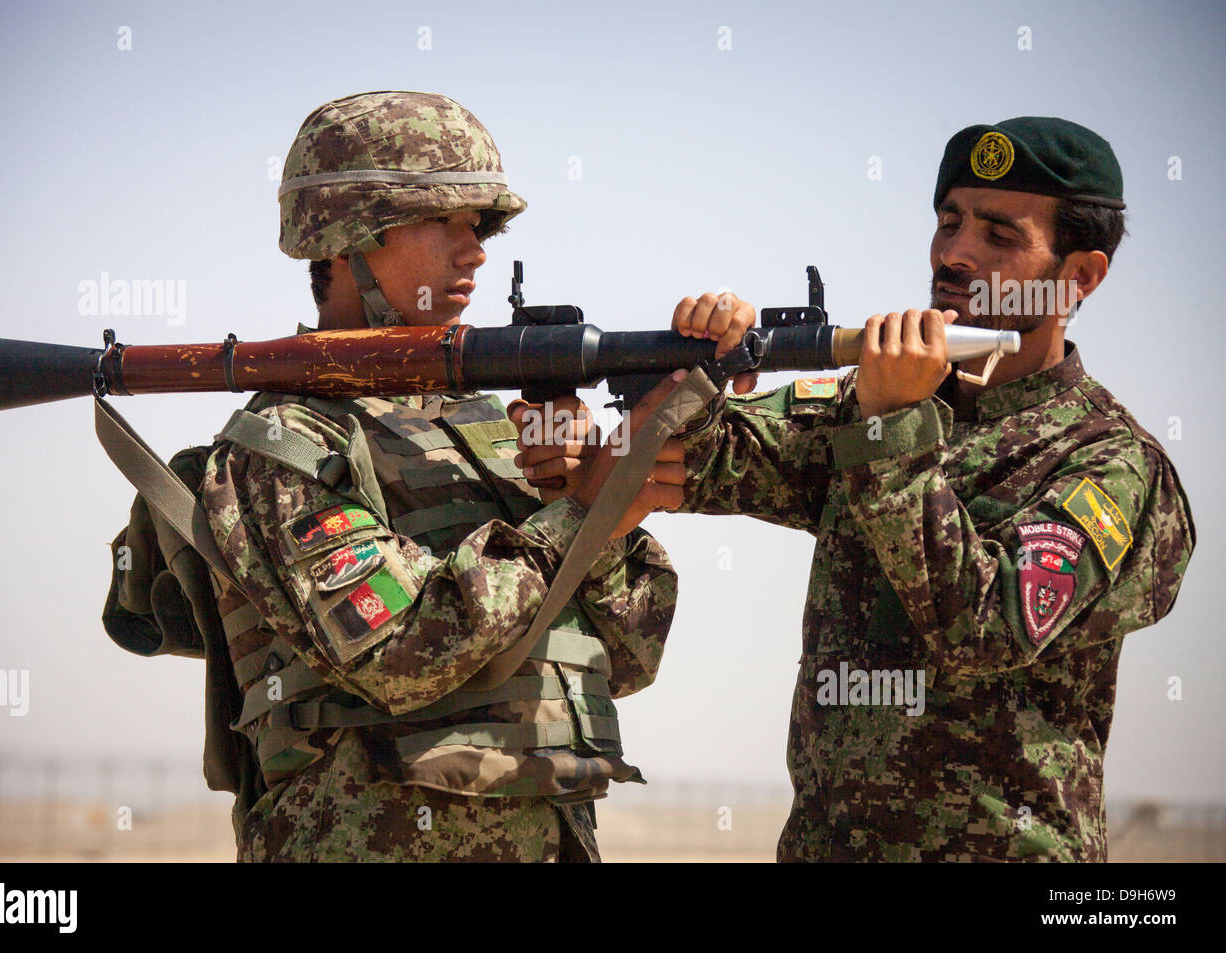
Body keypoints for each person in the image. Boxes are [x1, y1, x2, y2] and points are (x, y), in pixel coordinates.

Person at [519, 117, 1195, 861]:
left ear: (1081, 274)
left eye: (1000, 237)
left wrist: (889, 426)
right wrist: (696, 371)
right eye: (948, 222)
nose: (955, 254)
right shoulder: (867, 400)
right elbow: (698, 458)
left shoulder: (1110, 463)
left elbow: (987, 624)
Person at [103, 91, 683, 862]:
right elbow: (403, 654)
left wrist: (601, 505)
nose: (473, 249)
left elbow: (630, 656)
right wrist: (581, 512)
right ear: (348, 236)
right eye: (444, 220)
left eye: (479, 226)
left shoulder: (488, 429)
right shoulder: (282, 444)